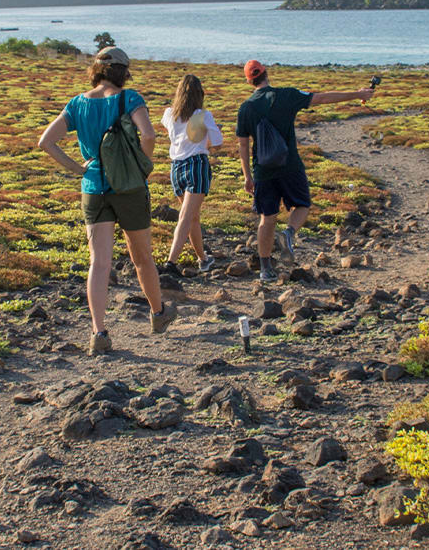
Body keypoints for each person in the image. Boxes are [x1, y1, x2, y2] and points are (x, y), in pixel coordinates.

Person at [38, 47, 174, 354]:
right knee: (142, 258)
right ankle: (157, 314)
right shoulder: (130, 99)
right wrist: (142, 168)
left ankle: (99, 333)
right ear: (124, 72)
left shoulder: (78, 103)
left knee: (99, 264)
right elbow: (149, 136)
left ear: (96, 70)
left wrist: (76, 167)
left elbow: (46, 141)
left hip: (93, 188)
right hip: (129, 188)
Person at [234, 59, 373, 282]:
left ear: (249, 81)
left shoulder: (246, 108)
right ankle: (289, 233)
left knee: (266, 218)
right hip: (289, 166)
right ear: (267, 74)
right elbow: (322, 98)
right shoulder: (287, 95)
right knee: (302, 205)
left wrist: (247, 176)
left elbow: (242, 144)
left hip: (262, 171)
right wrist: (357, 94)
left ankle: (265, 269)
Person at [162, 74, 221, 274]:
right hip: (196, 165)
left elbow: (171, 130)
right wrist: (203, 141)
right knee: (186, 217)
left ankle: (203, 259)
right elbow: (217, 141)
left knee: (192, 217)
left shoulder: (169, 114)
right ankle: (170, 263)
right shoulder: (203, 115)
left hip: (176, 168)